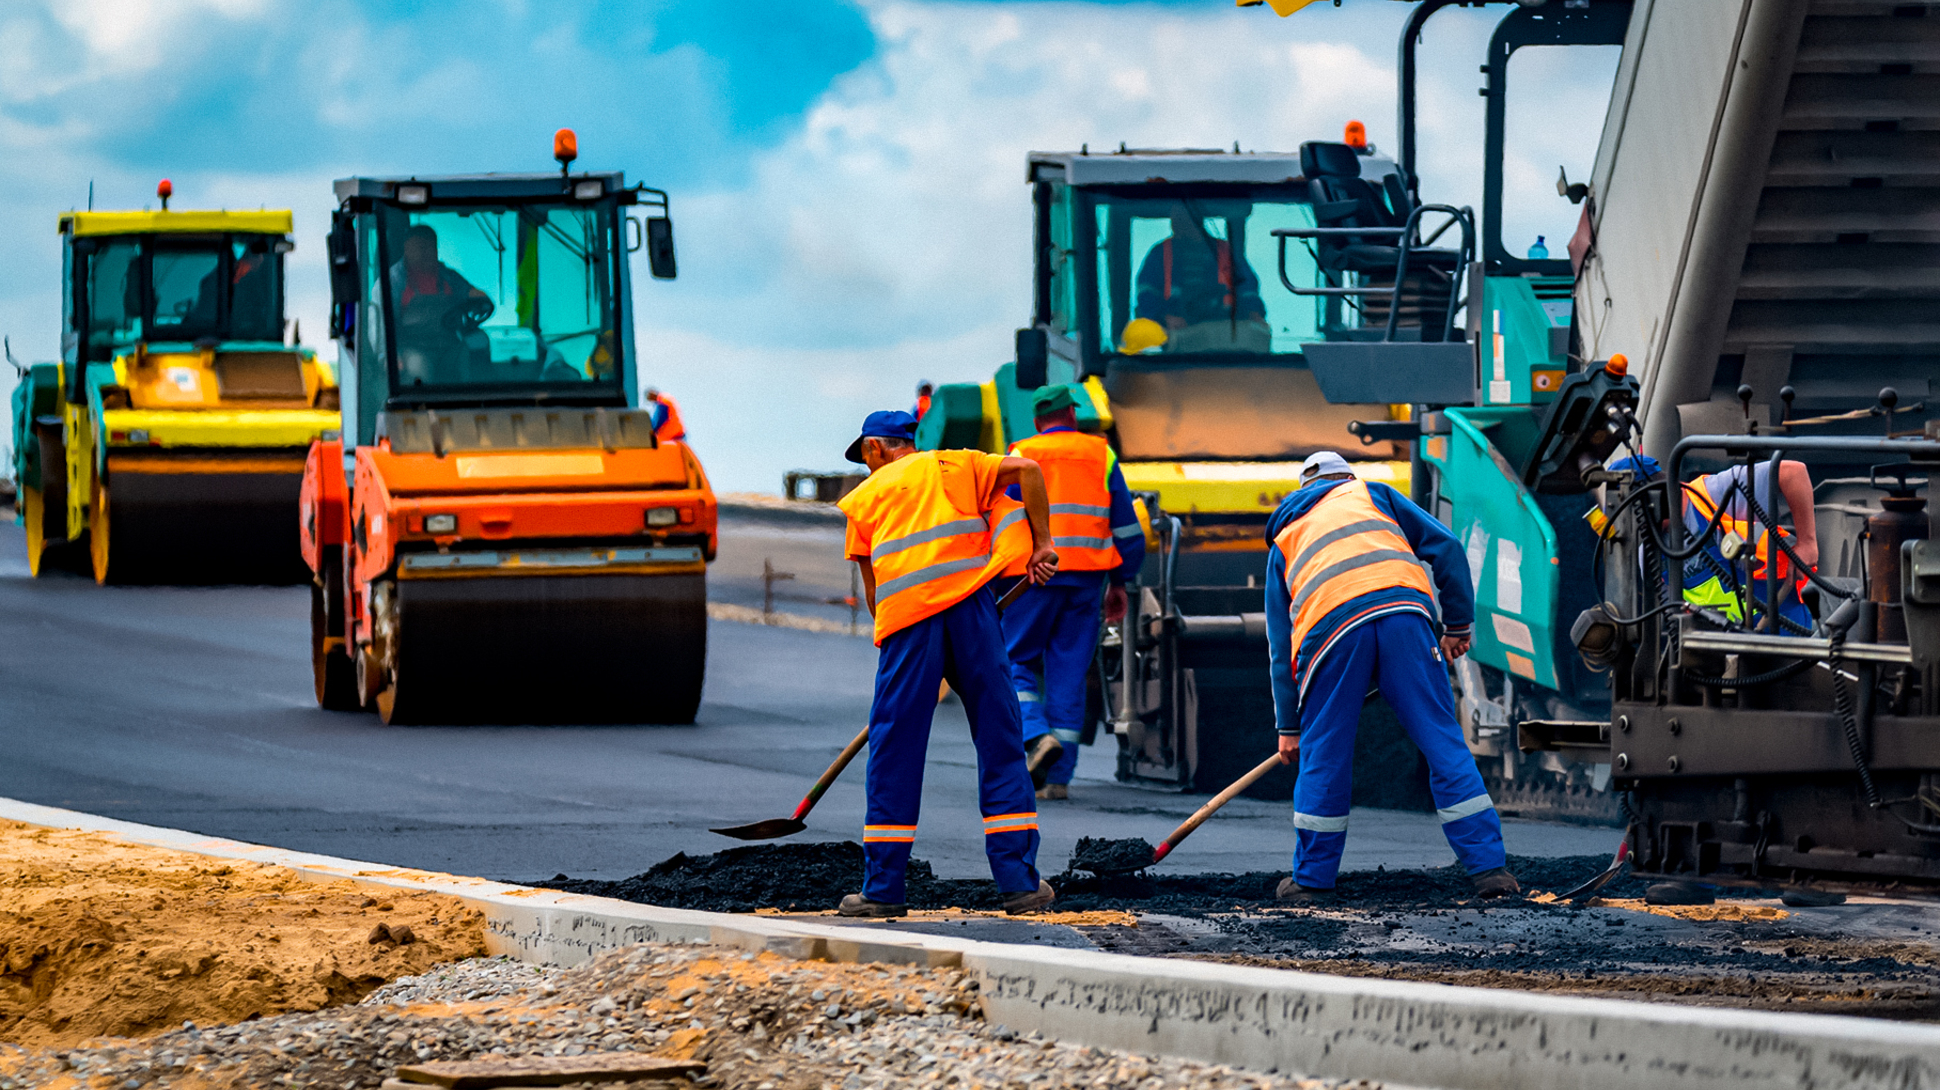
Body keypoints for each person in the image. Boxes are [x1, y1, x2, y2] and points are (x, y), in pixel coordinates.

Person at [835, 410, 1061, 918]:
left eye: (866, 457)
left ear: (875, 449)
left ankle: (883, 890)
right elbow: (1028, 470)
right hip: (974, 612)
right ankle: (1021, 885)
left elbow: (875, 596)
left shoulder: (864, 500)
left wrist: (911, 661)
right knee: (1002, 741)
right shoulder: (958, 465)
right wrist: (1043, 542)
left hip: (909, 625)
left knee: (894, 749)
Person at [1265, 451, 1516, 902]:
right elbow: (1449, 549)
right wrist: (1457, 625)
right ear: (1347, 477)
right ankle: (1490, 872)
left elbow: (1281, 646)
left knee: (1325, 754)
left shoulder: (1286, 534)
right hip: (1405, 617)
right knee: (1443, 742)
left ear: (1303, 490)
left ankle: (1311, 881)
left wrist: (1289, 726)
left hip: (1330, 635)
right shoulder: (1374, 495)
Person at [1000, 385, 1146, 800]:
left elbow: (1004, 519)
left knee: (1013, 660)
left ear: (1037, 421)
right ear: (1072, 414)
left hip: (1031, 576)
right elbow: (1127, 529)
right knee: (1069, 673)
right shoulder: (1101, 454)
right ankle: (1058, 779)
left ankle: (1034, 736)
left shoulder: (1020, 452)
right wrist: (1121, 580)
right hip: (1086, 579)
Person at [1610, 455, 1818, 631]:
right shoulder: (1649, 553)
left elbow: (1793, 472)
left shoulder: (1713, 493)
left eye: (1632, 511)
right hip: (1721, 649)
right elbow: (1673, 616)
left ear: (1651, 497)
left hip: (1783, 627)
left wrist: (1807, 543)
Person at [1133, 207, 1269, 353]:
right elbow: (1146, 295)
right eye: (1174, 215)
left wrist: (1254, 312)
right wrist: (1164, 318)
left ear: (1198, 217)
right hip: (1177, 348)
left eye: (1182, 215)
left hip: (1228, 340)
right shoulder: (1159, 254)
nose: (1176, 220)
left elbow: (1247, 288)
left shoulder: (1226, 251)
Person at [388, 225, 489, 384]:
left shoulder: (447, 276)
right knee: (419, 368)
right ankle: (419, 407)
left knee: (473, 347)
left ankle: (474, 402)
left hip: (447, 342)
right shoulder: (394, 281)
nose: (426, 252)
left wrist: (480, 297)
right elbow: (382, 323)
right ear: (407, 249)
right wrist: (392, 354)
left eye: (431, 247)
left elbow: (470, 293)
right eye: (421, 247)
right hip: (413, 347)